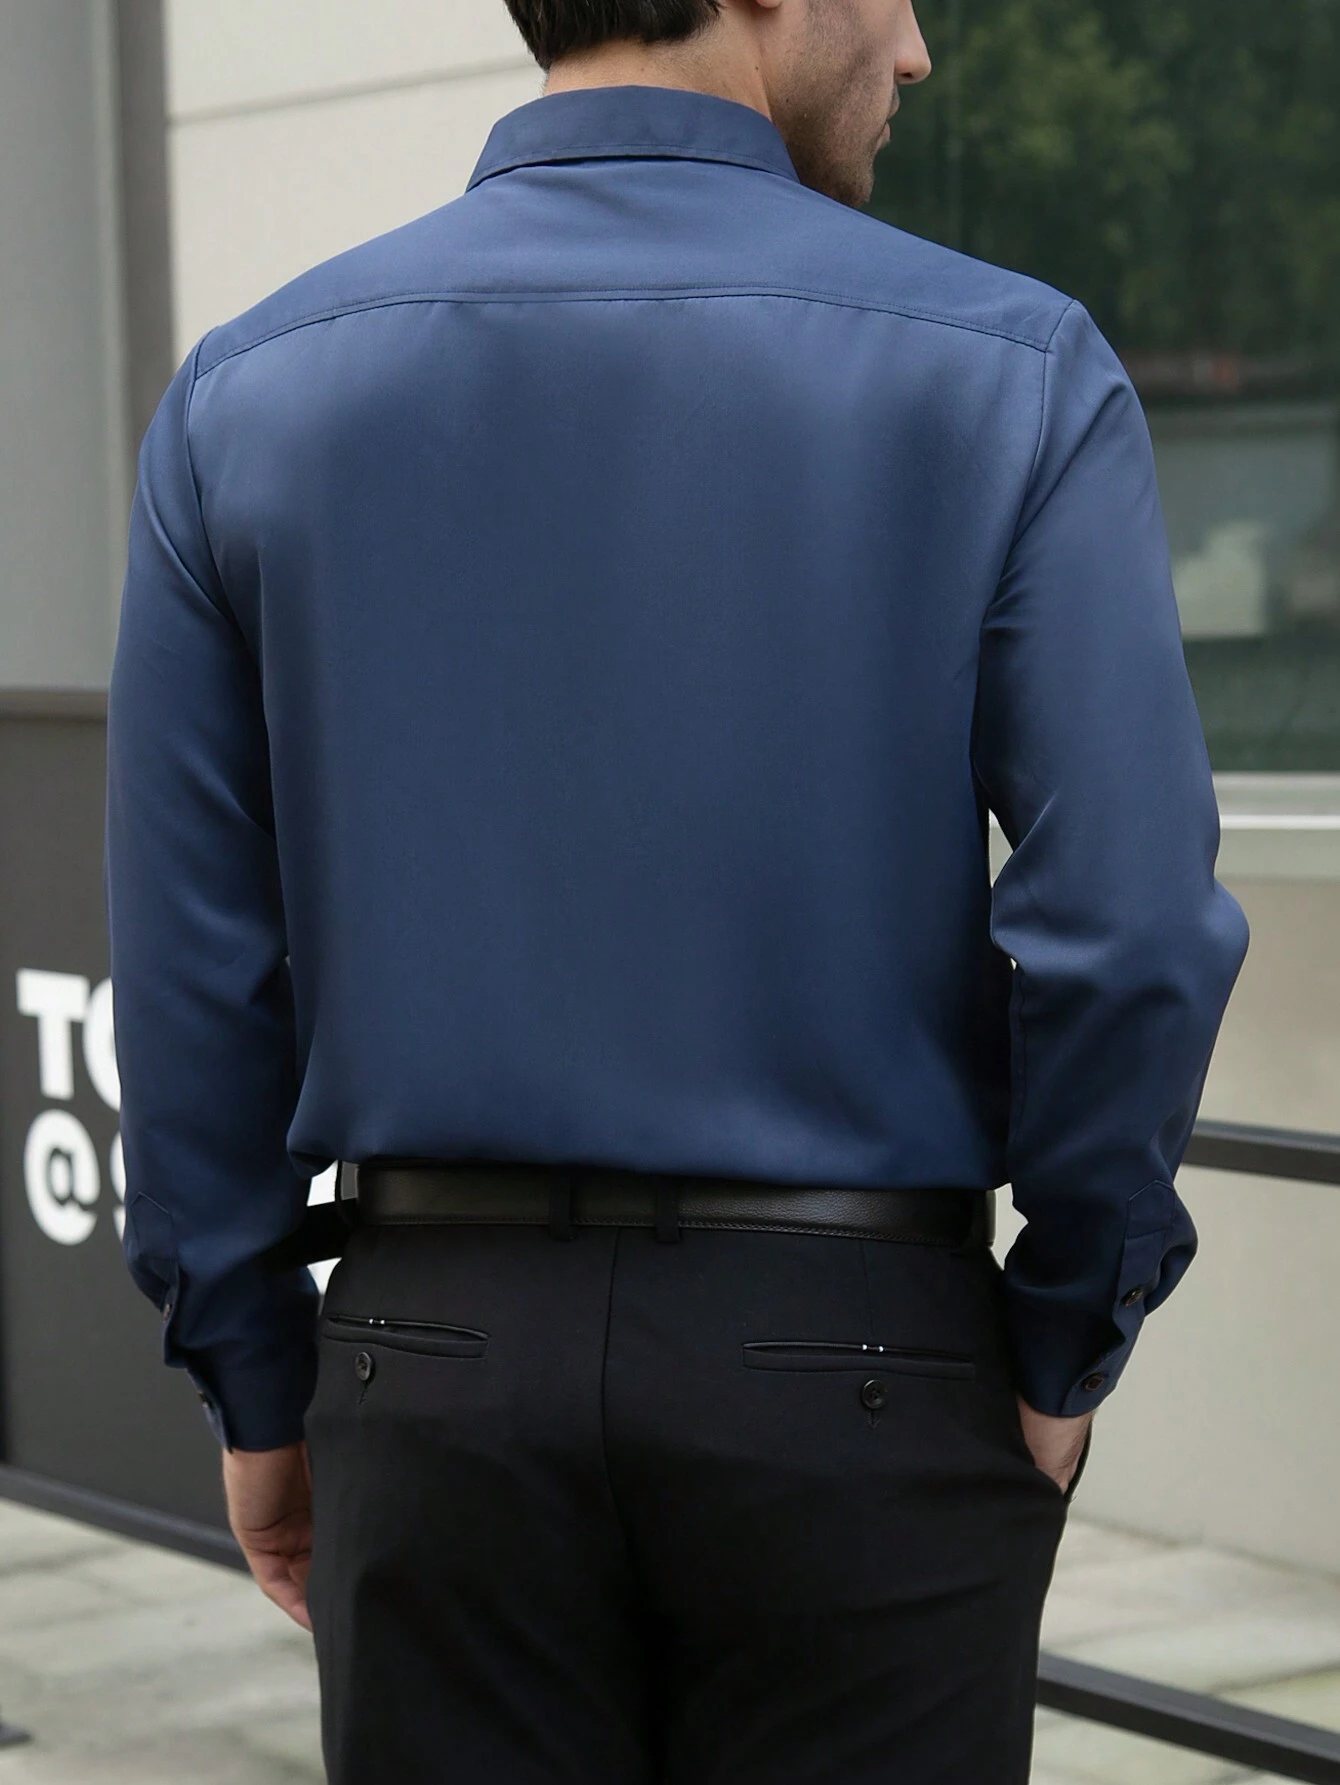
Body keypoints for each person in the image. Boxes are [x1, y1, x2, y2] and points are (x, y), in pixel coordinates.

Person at [105, 0, 1249, 1778]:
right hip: (863, 1371)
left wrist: (256, 1375)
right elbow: (1129, 925)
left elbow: (194, 972)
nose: (919, 48)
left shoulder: (248, 394)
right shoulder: (1009, 367)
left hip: (432, 1369)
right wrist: (1064, 1327)